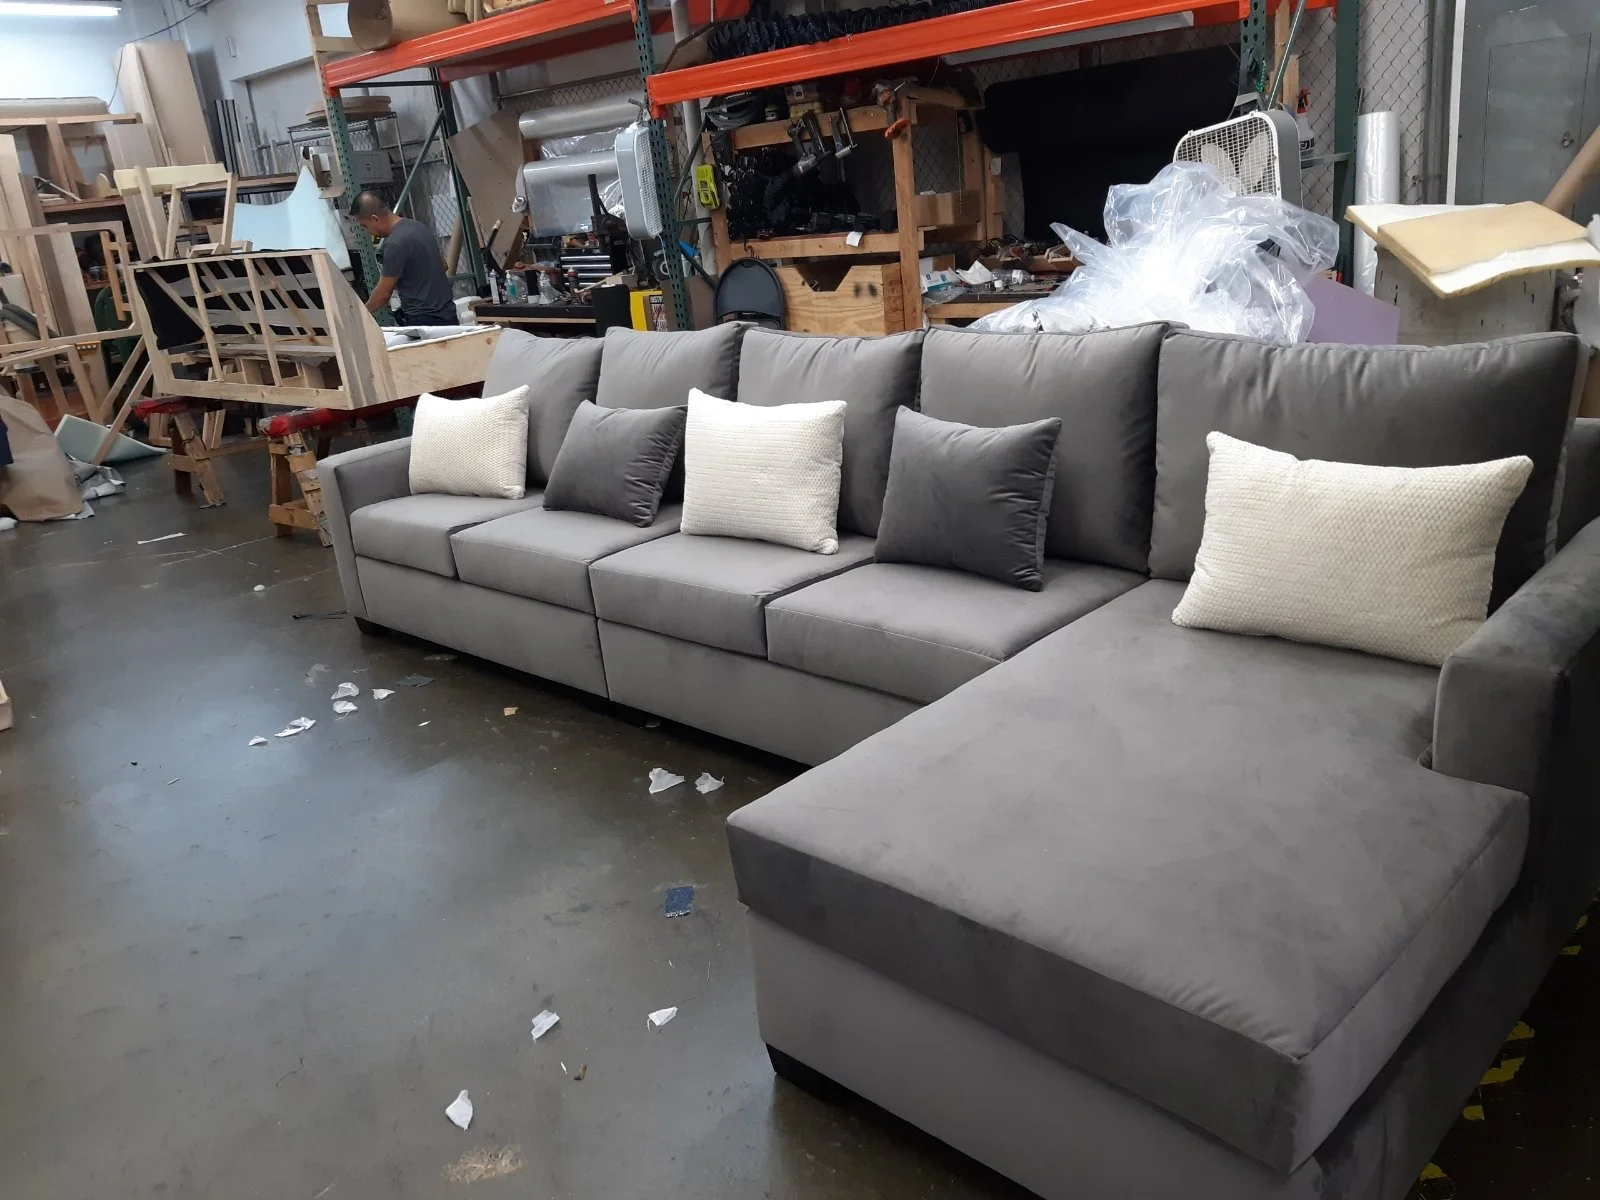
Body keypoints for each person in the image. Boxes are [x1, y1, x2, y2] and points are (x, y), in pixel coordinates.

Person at [349, 192, 457, 326]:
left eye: (364, 226)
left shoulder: (394, 243)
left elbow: (383, 294)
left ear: (374, 218)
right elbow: (443, 265)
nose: (367, 231)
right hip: (448, 314)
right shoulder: (419, 227)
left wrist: (360, 316)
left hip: (425, 320)